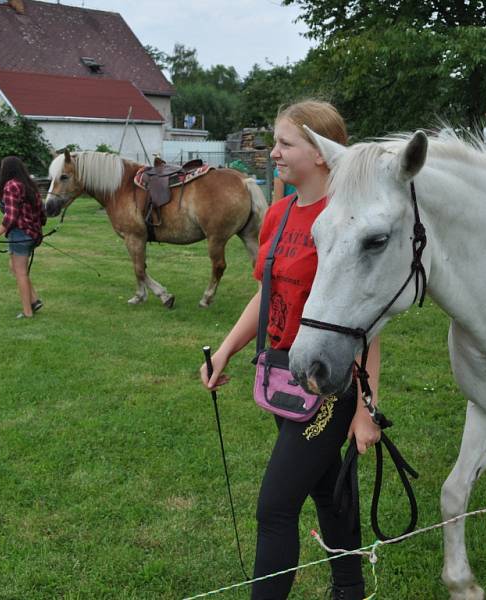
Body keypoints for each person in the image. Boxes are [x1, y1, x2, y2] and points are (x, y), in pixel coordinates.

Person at [199, 100, 380, 600]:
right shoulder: (279, 212)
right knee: (325, 487)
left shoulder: (347, 219)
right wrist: (227, 352)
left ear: (321, 153)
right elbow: (268, 294)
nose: (273, 152)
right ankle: (349, 589)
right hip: (282, 374)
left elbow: (367, 325)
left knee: (275, 507)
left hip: (330, 385)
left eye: (284, 143)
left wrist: (365, 408)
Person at [0, 156, 45, 318]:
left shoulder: (11, 186)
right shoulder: (30, 186)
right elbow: (42, 213)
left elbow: (10, 217)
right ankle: (34, 300)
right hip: (32, 234)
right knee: (14, 266)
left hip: (20, 234)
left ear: (6, 170)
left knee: (20, 273)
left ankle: (27, 312)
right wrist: (36, 230)